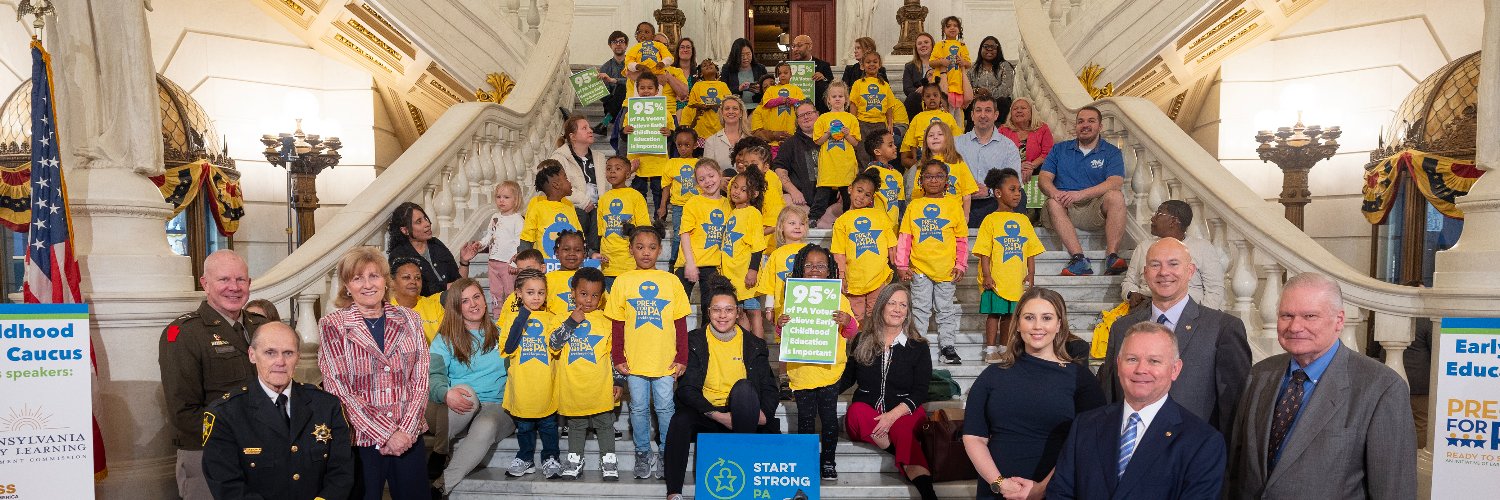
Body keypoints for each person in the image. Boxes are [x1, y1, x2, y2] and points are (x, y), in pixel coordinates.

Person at [1225, 273, 1416, 499]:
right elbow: (1236, 471)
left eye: (1310, 316)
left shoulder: (1382, 388)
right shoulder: (1259, 375)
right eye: (1286, 315)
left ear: (1339, 320)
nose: (1295, 327)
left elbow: (1394, 491)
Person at [1046, 322, 1227, 499]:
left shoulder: (1203, 442)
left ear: (1175, 369)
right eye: (1132, 359)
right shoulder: (1085, 426)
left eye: (1154, 361)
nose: (1141, 369)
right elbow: (1059, 492)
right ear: (1118, 364)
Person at [963, 287, 1106, 499]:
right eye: (1029, 317)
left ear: (1059, 324)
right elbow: (974, 437)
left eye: (1046, 318)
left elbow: (1090, 442)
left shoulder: (1081, 379)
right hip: (997, 492)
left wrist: (1041, 489)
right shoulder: (992, 376)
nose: (1037, 326)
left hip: (1057, 490)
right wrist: (1000, 483)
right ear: (1017, 324)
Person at [1099, 236, 1249, 434]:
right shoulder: (1122, 328)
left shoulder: (1223, 328)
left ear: (1190, 271)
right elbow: (1111, 398)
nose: (1164, 272)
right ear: (1145, 273)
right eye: (1155, 265)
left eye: (1173, 264)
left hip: (1195, 448)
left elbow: (1235, 410)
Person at [317, 246, 430, 499]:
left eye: (374, 276)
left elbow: (421, 379)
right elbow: (338, 389)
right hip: (361, 441)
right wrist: (388, 434)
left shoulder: (410, 319)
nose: (367, 285)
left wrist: (405, 431)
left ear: (385, 281)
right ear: (347, 286)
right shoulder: (332, 325)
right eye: (357, 278)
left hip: (409, 437)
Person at [159, 250, 271, 500]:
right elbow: (183, 412)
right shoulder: (184, 333)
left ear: (249, 283)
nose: (234, 287)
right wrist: (243, 436)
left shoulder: (263, 327)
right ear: (205, 283)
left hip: (265, 452)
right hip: (210, 454)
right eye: (224, 279)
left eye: (240, 280)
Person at [202, 322, 353, 500]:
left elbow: (342, 472)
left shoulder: (327, 405)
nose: (280, 362)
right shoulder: (226, 414)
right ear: (252, 355)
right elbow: (227, 486)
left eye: (288, 353)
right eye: (270, 352)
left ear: (298, 357)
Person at [663, 275, 781, 500]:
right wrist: (718, 416)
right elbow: (687, 389)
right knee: (680, 420)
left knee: (745, 388)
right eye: (717, 310)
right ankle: (674, 492)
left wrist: (764, 414)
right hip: (708, 413)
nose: (722, 315)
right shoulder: (694, 340)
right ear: (708, 312)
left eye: (728, 310)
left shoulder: (754, 344)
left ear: (738, 313)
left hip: (744, 411)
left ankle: (745, 479)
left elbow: (769, 386)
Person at [608, 224, 693, 480]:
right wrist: (618, 357)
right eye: (640, 247)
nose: (646, 252)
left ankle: (667, 452)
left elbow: (680, 324)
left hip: (665, 361)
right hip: (634, 361)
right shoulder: (622, 281)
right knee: (638, 409)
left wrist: (682, 357)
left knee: (666, 408)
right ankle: (643, 452)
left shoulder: (671, 281)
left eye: (652, 247)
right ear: (631, 249)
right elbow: (617, 324)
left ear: (660, 250)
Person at [839, 283, 938, 500]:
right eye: (892, 303)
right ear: (881, 306)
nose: (897, 309)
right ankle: (900, 450)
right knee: (856, 412)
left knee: (904, 430)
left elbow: (921, 391)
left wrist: (892, 416)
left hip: (904, 411)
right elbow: (847, 379)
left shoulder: (918, 346)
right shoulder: (861, 339)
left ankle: (928, 495)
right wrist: (820, 389)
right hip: (868, 414)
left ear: (908, 311)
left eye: (903, 305)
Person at [773, 245, 857, 479]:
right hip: (801, 371)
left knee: (829, 420)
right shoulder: (790, 298)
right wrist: (780, 324)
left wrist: (847, 321)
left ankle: (828, 461)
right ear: (800, 268)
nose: (814, 270)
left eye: (821, 266)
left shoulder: (839, 299)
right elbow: (782, 335)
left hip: (829, 370)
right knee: (806, 420)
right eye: (809, 265)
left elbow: (851, 333)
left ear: (830, 270)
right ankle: (807, 461)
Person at [427, 278, 515, 494]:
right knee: (467, 392)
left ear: (484, 300)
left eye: (476, 297)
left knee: (486, 424)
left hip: (497, 409)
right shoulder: (445, 339)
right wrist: (445, 394)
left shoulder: (503, 333)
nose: (473, 304)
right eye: (465, 301)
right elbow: (433, 376)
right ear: (456, 307)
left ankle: (439, 487)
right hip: (459, 408)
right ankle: (440, 450)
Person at [546, 268, 624, 480]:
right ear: (573, 293)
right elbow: (553, 345)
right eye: (583, 294)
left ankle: (608, 460)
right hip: (573, 385)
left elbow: (615, 354)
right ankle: (575, 459)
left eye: (595, 295)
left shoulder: (607, 320)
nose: (589, 300)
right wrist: (572, 321)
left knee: (605, 423)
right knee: (576, 425)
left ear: (602, 296)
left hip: (601, 385)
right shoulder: (560, 318)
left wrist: (618, 380)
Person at [1041, 106, 1127, 276]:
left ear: (1100, 126)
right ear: (1076, 126)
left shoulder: (1111, 152)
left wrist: (1080, 194)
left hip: (1093, 208)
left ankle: (1112, 257)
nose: (1085, 125)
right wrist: (1055, 193)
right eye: (1080, 121)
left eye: (1091, 121)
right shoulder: (1059, 149)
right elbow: (1044, 178)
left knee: (1116, 196)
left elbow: (1115, 182)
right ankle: (1079, 259)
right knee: (1052, 202)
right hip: (1063, 207)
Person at [898, 159, 968, 365]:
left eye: (939, 176)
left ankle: (947, 347)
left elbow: (961, 239)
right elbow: (905, 237)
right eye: (928, 176)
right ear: (921, 181)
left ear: (947, 180)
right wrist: (902, 265)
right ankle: (917, 345)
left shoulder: (954, 205)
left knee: (945, 309)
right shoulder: (914, 206)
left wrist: (960, 264)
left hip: (947, 269)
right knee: (920, 309)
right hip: (920, 268)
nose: (934, 180)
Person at [497, 268, 564, 479]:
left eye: (541, 292)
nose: (536, 297)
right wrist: (522, 316)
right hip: (522, 385)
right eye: (530, 292)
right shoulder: (511, 318)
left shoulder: (552, 318)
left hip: (545, 384)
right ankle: (525, 458)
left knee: (549, 426)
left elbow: (555, 347)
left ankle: (551, 458)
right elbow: (508, 348)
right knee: (524, 427)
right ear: (519, 293)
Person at [973, 169, 1042, 364]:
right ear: (998, 193)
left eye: (1019, 190)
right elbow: (984, 252)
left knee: (1010, 315)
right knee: (994, 313)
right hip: (996, 279)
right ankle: (990, 349)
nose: (1017, 194)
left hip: (1016, 280)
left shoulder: (1024, 220)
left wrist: (1031, 273)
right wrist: (987, 275)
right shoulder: (990, 220)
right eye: (1012, 189)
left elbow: (1030, 250)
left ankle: (1004, 347)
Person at [1121, 200, 1227, 309]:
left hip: (1191, 311)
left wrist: (1203, 316)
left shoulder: (1202, 248)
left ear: (1173, 221)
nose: (1152, 219)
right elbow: (1129, 281)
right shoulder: (1143, 247)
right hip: (1149, 309)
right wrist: (1131, 294)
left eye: (1158, 214)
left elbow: (1215, 290)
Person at [832, 171, 896, 322]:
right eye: (859, 191)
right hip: (854, 279)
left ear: (872, 198)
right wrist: (841, 276)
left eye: (867, 195)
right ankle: (858, 339)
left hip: (877, 277)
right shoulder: (842, 221)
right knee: (855, 317)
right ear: (850, 189)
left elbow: (892, 245)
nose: (861, 197)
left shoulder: (880, 216)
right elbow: (839, 253)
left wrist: (899, 265)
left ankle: (875, 339)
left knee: (876, 316)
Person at [957, 95, 1023, 225]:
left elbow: (1014, 182)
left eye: (988, 110)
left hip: (994, 202)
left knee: (1020, 196)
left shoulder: (1008, 147)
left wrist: (989, 190)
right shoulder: (956, 144)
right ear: (972, 115)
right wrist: (965, 189)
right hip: (962, 203)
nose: (983, 115)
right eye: (978, 110)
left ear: (996, 115)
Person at [387, 202, 473, 296]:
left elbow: (459, 283)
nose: (427, 224)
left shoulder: (436, 244)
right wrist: (447, 287)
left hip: (451, 301)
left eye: (425, 218)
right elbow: (414, 291)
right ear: (405, 230)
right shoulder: (399, 256)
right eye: (419, 222)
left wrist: (464, 262)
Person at [549, 115, 607, 250]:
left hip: (598, 207)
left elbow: (608, 185)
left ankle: (594, 254)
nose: (590, 130)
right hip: (573, 206)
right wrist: (584, 201)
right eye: (584, 128)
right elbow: (558, 187)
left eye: (589, 127)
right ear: (572, 136)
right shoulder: (559, 158)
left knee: (600, 215)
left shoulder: (600, 158)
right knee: (582, 215)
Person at [675, 159, 729, 299]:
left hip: (712, 265)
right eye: (702, 179)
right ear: (697, 183)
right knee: (679, 304)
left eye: (711, 176)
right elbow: (685, 234)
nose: (708, 181)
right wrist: (690, 263)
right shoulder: (693, 203)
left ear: (720, 175)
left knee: (710, 306)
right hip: (689, 262)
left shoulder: (728, 204)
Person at [723, 169, 768, 337]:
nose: (736, 191)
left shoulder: (753, 213)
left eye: (743, 189)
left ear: (754, 194)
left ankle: (759, 347)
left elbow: (758, 246)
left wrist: (752, 270)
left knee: (754, 312)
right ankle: (746, 346)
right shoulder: (733, 212)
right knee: (740, 313)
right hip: (733, 274)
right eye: (735, 187)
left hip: (745, 273)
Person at [623, 72, 677, 211]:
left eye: (650, 88)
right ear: (637, 90)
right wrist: (624, 131)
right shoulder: (630, 113)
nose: (646, 91)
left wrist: (669, 133)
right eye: (642, 88)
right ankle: (639, 219)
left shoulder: (665, 112)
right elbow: (624, 137)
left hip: (658, 163)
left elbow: (674, 136)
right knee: (638, 194)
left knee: (659, 193)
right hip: (637, 162)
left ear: (657, 90)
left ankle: (659, 218)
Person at [810, 83, 861, 226]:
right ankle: (813, 218)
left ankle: (848, 219)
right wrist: (828, 133)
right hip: (828, 166)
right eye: (834, 96)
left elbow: (855, 143)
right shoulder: (822, 118)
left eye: (841, 96)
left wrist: (847, 134)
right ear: (828, 100)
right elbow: (818, 141)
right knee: (822, 194)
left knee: (848, 195)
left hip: (846, 166)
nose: (837, 99)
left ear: (846, 99)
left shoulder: (851, 119)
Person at [470, 180, 525, 310]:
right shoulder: (495, 216)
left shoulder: (517, 219)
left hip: (508, 264)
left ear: (516, 200)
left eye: (506, 197)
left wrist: (514, 262)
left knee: (510, 291)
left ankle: (512, 314)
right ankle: (497, 314)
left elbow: (519, 242)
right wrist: (481, 244)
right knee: (495, 291)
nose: (501, 200)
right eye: (498, 197)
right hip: (493, 262)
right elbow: (490, 235)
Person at [599, 155, 652, 289]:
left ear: (628, 174)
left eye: (618, 168)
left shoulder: (636, 196)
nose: (612, 171)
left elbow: (644, 230)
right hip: (608, 264)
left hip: (630, 263)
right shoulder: (603, 199)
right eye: (609, 169)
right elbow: (601, 232)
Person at [756, 205, 810, 328]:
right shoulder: (776, 254)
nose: (797, 227)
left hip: (807, 307)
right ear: (781, 227)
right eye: (792, 223)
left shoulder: (811, 251)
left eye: (802, 224)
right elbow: (770, 284)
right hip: (782, 307)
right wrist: (769, 308)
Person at [999, 98, 1053, 217]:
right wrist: (1018, 166)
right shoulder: (1003, 130)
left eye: (1023, 108)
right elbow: (998, 155)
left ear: (1031, 112)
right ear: (1011, 113)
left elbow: (1048, 152)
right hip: (1010, 171)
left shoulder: (1042, 128)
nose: (1019, 111)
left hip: (1036, 169)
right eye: (1015, 109)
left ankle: (1037, 212)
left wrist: (1031, 166)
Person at [771, 100, 819, 213]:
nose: (806, 117)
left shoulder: (830, 141)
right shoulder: (790, 144)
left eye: (809, 113)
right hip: (800, 203)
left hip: (829, 201)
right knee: (785, 200)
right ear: (797, 121)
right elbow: (779, 169)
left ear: (817, 114)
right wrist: (793, 191)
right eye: (801, 115)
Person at [850, 50, 901, 144]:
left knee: (880, 148)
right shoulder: (858, 84)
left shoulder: (885, 85)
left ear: (880, 65)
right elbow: (853, 105)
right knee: (863, 150)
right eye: (868, 62)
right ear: (862, 66)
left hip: (880, 124)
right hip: (862, 123)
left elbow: (889, 106)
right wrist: (853, 123)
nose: (872, 64)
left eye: (875, 62)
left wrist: (890, 124)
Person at [750, 62, 805, 146]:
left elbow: (803, 105)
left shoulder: (796, 90)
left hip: (795, 142)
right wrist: (774, 135)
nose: (769, 87)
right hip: (772, 145)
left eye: (772, 84)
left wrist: (792, 101)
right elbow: (756, 133)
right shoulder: (758, 110)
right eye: (765, 87)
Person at [930, 17, 973, 122]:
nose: (952, 28)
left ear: (960, 29)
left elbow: (969, 64)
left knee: (958, 116)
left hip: (958, 86)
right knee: (944, 113)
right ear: (943, 30)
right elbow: (931, 62)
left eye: (955, 26)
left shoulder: (962, 45)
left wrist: (963, 62)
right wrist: (941, 62)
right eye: (948, 26)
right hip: (942, 85)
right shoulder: (940, 45)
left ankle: (958, 131)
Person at [863, 129, 905, 223]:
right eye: (890, 145)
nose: (895, 147)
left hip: (894, 227)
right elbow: (865, 201)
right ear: (877, 152)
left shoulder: (897, 174)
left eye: (894, 144)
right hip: (877, 226)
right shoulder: (871, 172)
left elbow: (901, 203)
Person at [970, 37, 1015, 121]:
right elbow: (967, 89)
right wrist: (977, 90)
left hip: (999, 104)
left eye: (993, 47)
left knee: (1003, 102)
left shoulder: (1005, 66)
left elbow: (1006, 90)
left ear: (998, 50)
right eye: (986, 46)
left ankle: (1000, 128)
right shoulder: (973, 69)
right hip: (978, 103)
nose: (989, 49)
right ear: (981, 49)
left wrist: (987, 94)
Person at [681, 60, 729, 140]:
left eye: (711, 64)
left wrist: (717, 105)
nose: (708, 66)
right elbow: (691, 103)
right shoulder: (697, 85)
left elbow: (729, 102)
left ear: (717, 70)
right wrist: (701, 106)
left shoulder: (723, 85)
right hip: (702, 130)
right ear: (701, 73)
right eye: (704, 65)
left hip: (719, 128)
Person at [788, 34, 835, 112]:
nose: (795, 49)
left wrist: (823, 78)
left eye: (799, 45)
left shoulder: (823, 65)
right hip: (794, 111)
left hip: (818, 111)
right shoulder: (789, 67)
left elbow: (832, 87)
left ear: (809, 46)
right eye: (793, 46)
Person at [701, 95, 749, 171]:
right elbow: (707, 171)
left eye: (735, 108)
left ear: (741, 113)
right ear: (722, 113)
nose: (731, 112)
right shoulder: (711, 141)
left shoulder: (750, 140)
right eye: (727, 109)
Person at [720, 38, 767, 111]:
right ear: (735, 55)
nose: (745, 58)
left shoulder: (760, 68)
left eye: (748, 54)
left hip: (758, 108)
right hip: (735, 110)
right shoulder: (727, 69)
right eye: (741, 55)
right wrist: (739, 89)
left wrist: (760, 89)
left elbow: (769, 91)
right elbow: (722, 92)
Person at [901, 33, 939, 123]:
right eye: (919, 43)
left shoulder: (940, 64)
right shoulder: (910, 66)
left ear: (932, 45)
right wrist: (924, 92)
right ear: (916, 48)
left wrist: (926, 89)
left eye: (926, 42)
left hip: (937, 97)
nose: (923, 45)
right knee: (913, 97)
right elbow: (907, 89)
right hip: (918, 100)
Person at [598, 31, 630, 139]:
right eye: (614, 42)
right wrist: (597, 88)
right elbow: (604, 98)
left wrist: (614, 80)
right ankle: (606, 122)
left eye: (621, 41)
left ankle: (604, 124)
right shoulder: (605, 68)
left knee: (622, 87)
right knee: (617, 91)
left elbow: (635, 82)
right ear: (610, 45)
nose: (618, 44)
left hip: (631, 102)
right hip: (612, 106)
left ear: (626, 45)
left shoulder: (632, 64)